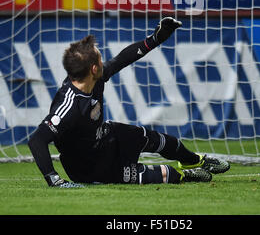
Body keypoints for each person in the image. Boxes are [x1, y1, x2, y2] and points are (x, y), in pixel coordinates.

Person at [28, 17, 230, 188]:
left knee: (158, 139)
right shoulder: (69, 106)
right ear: (93, 69)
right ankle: (185, 175)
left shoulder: (95, 78)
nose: (103, 60)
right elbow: (36, 140)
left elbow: (121, 60)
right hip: (91, 166)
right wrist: (54, 179)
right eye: (99, 58)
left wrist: (155, 39)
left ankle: (195, 161)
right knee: (162, 174)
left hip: (107, 137)